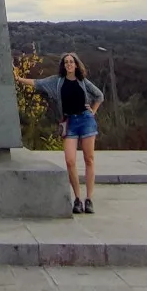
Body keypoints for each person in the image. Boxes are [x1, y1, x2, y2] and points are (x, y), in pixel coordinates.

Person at [14, 53, 104, 214]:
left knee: (89, 159)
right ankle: (77, 198)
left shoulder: (82, 81)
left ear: (76, 65)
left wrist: (93, 112)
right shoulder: (57, 81)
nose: (69, 64)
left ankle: (89, 199)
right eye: (66, 62)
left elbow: (99, 96)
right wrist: (19, 79)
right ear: (63, 65)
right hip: (69, 123)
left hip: (86, 121)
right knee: (70, 161)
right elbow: (37, 83)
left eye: (71, 62)